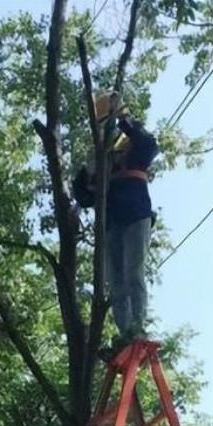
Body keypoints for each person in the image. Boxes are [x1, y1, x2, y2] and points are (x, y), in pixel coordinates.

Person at [73, 91, 160, 355]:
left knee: (134, 273)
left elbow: (149, 145)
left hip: (136, 215)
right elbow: (86, 196)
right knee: (116, 280)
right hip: (112, 223)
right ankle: (125, 333)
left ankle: (137, 327)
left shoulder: (134, 149)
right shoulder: (102, 159)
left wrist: (124, 120)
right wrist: (85, 174)